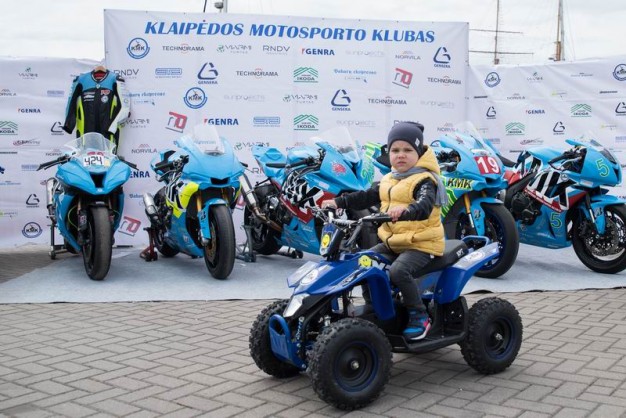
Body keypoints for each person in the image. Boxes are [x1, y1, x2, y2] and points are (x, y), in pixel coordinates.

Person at [321, 121, 447, 341]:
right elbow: (365, 196)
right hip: (394, 242)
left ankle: (419, 315)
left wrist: (406, 210)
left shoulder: (426, 180)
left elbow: (424, 206)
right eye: (395, 150)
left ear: (419, 153)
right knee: (363, 263)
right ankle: (374, 309)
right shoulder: (390, 179)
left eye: (408, 150)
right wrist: (338, 202)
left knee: (399, 271)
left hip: (422, 244)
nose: (401, 155)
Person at [62, 64, 130, 151]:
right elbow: (71, 102)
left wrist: (112, 127)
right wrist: (69, 124)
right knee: (85, 156)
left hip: (108, 130)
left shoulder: (115, 79)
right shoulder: (82, 80)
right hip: (85, 129)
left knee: (108, 157)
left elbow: (125, 108)